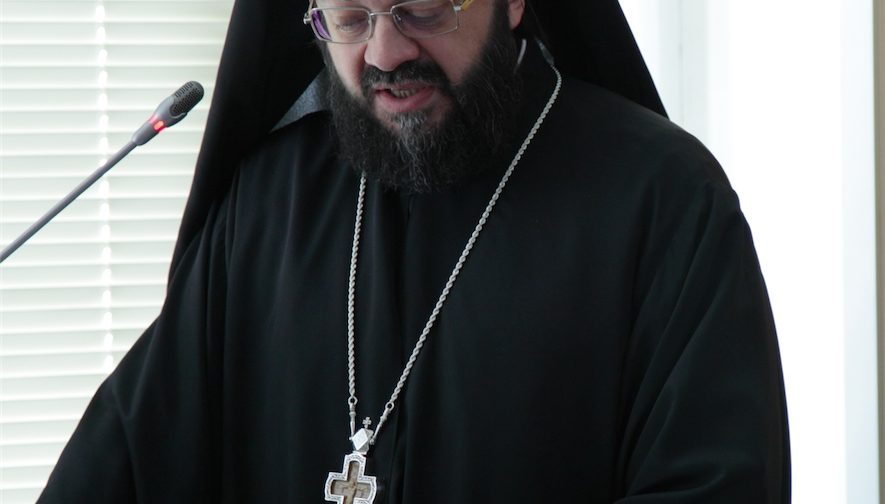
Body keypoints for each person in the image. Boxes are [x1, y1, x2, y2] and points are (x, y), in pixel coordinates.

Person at [38, 0, 791, 502]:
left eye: (422, 10)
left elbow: (714, 486)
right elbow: (130, 459)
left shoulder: (662, 199)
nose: (386, 52)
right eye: (349, 17)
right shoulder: (265, 204)